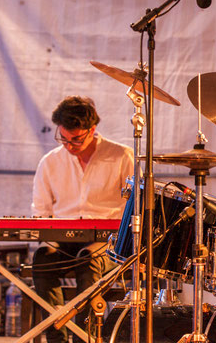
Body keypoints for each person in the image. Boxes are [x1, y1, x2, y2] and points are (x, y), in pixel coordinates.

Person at [31, 96, 134, 343]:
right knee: (42, 258)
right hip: (65, 240)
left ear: (92, 129)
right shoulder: (50, 162)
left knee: (88, 261)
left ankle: (83, 339)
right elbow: (41, 213)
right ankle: (57, 338)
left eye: (76, 139)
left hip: (109, 242)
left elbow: (136, 209)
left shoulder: (121, 156)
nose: (69, 146)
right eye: (63, 139)